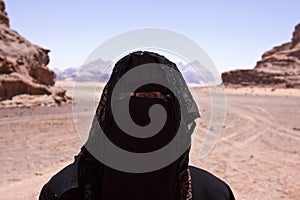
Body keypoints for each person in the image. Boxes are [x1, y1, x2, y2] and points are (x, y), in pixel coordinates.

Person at [39, 51, 235, 200]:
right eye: (124, 96)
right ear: (108, 108)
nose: (136, 108)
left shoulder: (212, 194)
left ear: (175, 111)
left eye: (151, 96)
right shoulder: (65, 192)